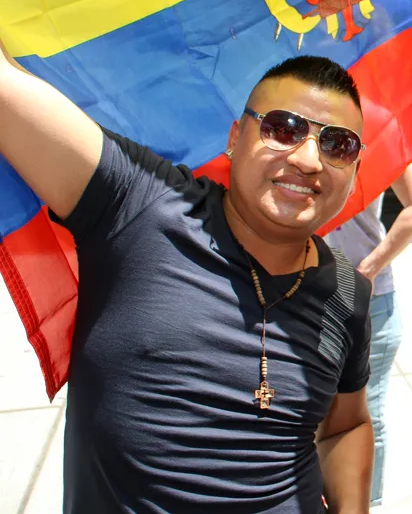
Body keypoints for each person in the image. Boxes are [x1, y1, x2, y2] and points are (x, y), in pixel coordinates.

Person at [0, 48, 374, 513]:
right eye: (283, 128)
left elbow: (345, 426)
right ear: (235, 138)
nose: (308, 158)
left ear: (355, 172)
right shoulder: (138, 206)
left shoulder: (347, 292)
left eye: (338, 146)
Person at [323, 160, 412, 508]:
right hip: (306, 297)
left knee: (364, 414)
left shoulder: (380, 140)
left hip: (368, 304)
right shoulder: (300, 144)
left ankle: (364, 504)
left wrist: (366, 271)